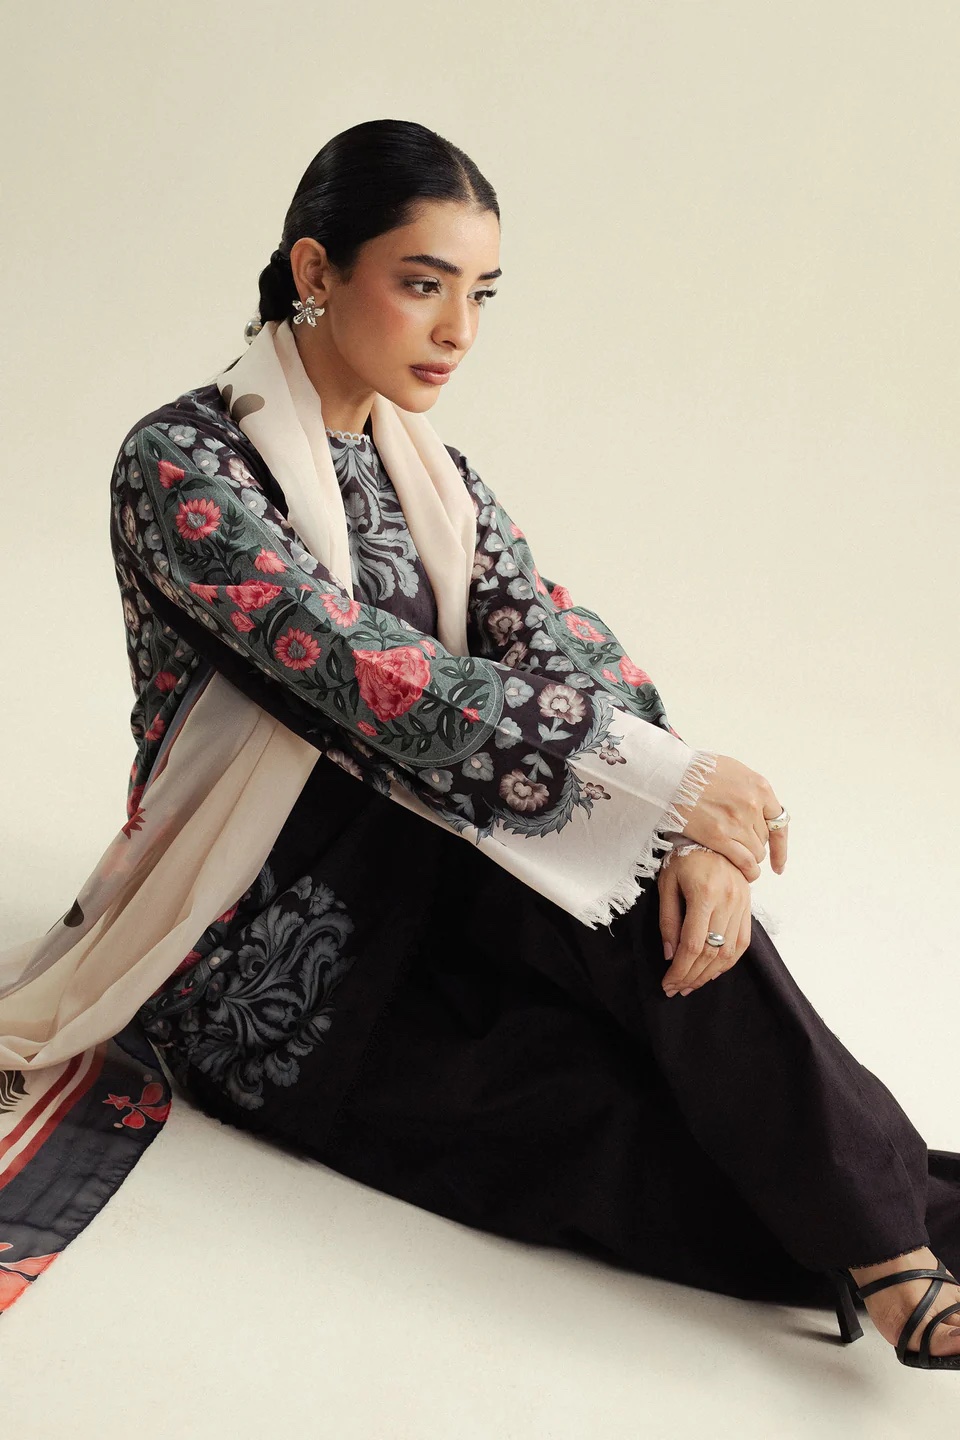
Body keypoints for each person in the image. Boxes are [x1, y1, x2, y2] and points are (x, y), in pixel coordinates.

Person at [2, 119, 960, 1369]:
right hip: (261, 959)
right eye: (423, 284)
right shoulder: (183, 465)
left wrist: (687, 826)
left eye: (481, 294)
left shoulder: (433, 476)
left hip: (443, 882)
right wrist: (670, 788)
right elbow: (358, 668)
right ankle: (903, 1247)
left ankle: (890, 1258)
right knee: (598, 1138)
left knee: (653, 901)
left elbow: (551, 641)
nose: (458, 330)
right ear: (314, 269)